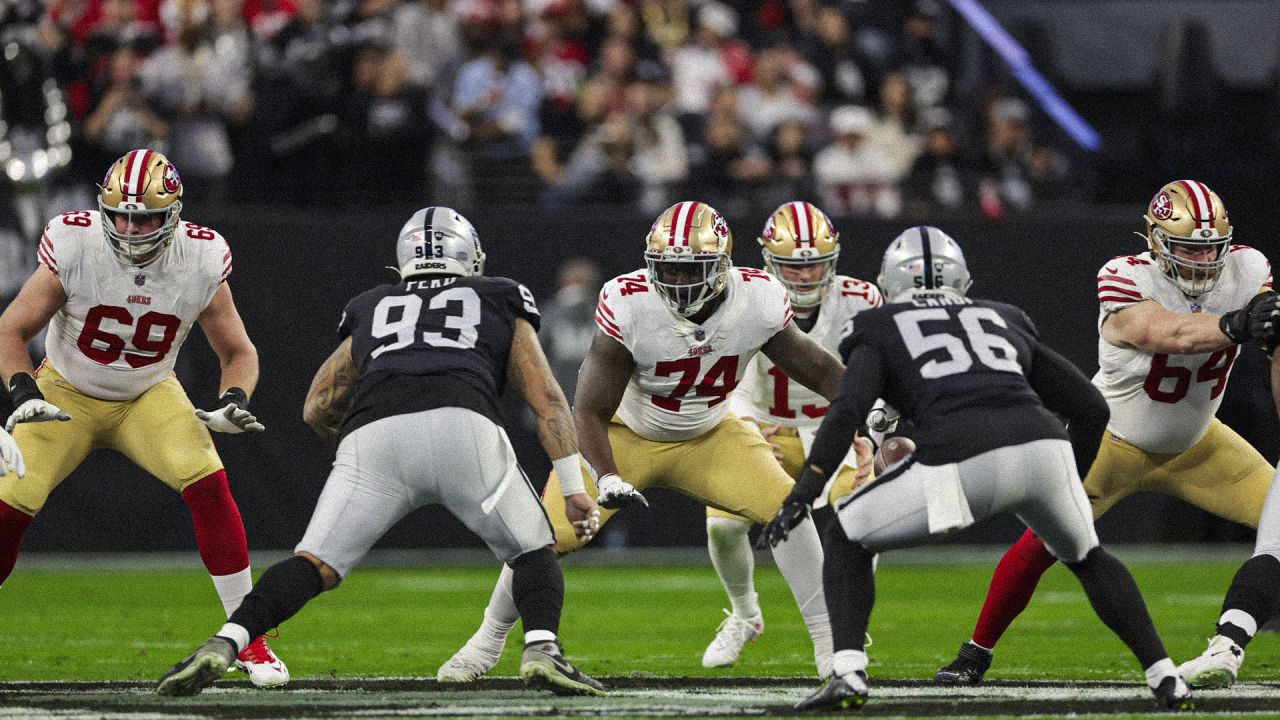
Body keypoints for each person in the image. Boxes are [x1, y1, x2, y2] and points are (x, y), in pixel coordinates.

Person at [157, 207, 604, 697]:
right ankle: (542, 647)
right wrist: (572, 485)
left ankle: (227, 642)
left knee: (314, 564)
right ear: (468, 256)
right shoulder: (496, 294)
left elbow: (316, 406)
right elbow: (548, 400)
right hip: (464, 424)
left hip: (373, 434)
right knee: (531, 548)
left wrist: (357, 457)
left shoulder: (372, 303)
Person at [761, 226, 1196, 711]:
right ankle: (1166, 677)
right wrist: (1070, 478)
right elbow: (1091, 407)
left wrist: (803, 492)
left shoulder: (878, 324)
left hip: (960, 454)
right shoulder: (1002, 316)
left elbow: (845, 410)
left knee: (846, 534)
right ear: (961, 281)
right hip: (1043, 447)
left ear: (889, 283)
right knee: (1087, 556)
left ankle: (848, 673)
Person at [436, 200, 846, 682]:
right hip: (625, 436)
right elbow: (587, 409)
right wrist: (606, 475)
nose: (675, 281)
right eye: (666, 269)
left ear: (722, 266)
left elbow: (818, 368)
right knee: (543, 535)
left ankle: (831, 644)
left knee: (788, 510)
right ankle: (485, 641)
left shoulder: (758, 298)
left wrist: (872, 405)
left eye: (688, 269)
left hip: (712, 435)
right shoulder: (629, 301)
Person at [936, 180, 1280, 688]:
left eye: (1212, 247)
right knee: (1043, 541)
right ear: (1157, 241)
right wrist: (1239, 322)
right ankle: (975, 651)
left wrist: (1268, 332)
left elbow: (1269, 339)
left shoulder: (1248, 269)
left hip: (1200, 443)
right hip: (1113, 444)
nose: (1203, 259)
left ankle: (1239, 632)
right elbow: (1166, 332)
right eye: (1189, 247)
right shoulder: (1123, 275)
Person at [0, 149, 288, 687]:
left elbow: (239, 353)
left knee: (206, 479)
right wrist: (21, 393)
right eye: (123, 215)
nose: (132, 229)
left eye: (146, 217)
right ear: (103, 209)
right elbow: (9, 329)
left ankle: (250, 639)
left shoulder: (201, 257)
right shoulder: (74, 241)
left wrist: (236, 400)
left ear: (174, 214)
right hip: (65, 391)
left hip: (148, 392)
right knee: (11, 505)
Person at [701, 201, 889, 670]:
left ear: (833, 260)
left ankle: (846, 625)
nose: (804, 278)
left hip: (834, 429)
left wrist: (873, 429)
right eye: (793, 267)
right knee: (723, 528)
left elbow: (884, 371)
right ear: (769, 261)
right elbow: (727, 367)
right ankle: (745, 614)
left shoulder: (860, 298)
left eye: (814, 266)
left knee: (858, 527)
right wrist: (740, 422)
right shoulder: (744, 295)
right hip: (762, 423)